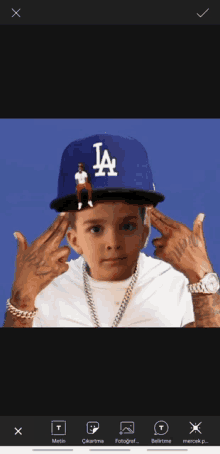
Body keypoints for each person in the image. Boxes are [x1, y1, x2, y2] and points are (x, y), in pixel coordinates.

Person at [3, 134, 195, 327]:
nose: (113, 243)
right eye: (95, 229)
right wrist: (23, 296)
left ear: (145, 231)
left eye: (127, 226)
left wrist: (202, 280)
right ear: (74, 239)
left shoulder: (176, 284)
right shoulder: (46, 289)